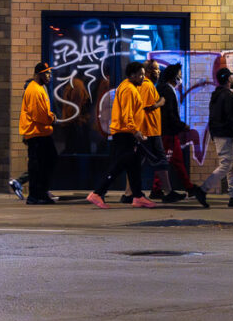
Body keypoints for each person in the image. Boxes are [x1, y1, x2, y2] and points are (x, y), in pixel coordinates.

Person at [86, 61, 157, 209]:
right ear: (132, 75)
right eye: (140, 75)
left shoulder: (127, 86)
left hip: (126, 132)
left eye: (143, 75)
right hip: (125, 133)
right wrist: (135, 131)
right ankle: (97, 193)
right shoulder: (129, 90)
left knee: (134, 165)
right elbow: (127, 114)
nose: (143, 78)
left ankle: (138, 196)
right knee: (119, 165)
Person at [152, 63, 208, 207]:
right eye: (179, 75)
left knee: (175, 161)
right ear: (173, 76)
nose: (181, 78)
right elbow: (169, 114)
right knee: (168, 160)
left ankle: (177, 188)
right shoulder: (167, 90)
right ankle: (162, 188)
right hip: (167, 133)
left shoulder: (167, 89)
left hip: (169, 133)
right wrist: (181, 126)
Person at [123, 58, 176, 204]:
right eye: (155, 69)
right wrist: (161, 102)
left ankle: (128, 193)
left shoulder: (142, 85)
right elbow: (147, 106)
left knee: (136, 162)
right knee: (160, 161)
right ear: (146, 72)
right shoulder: (146, 86)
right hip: (150, 130)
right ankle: (168, 192)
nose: (158, 72)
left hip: (146, 130)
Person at [202, 67, 233, 207]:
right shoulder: (228, 96)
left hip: (221, 134)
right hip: (226, 135)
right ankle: (202, 189)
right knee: (226, 165)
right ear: (227, 79)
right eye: (231, 77)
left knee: (232, 165)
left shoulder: (216, 95)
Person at [18, 61, 57, 204]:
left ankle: (40, 193)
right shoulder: (34, 90)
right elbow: (39, 115)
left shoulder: (39, 88)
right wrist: (52, 118)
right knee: (38, 165)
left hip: (41, 133)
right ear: (38, 75)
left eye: (49, 73)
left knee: (46, 162)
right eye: (46, 73)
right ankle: (36, 195)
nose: (49, 76)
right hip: (37, 133)